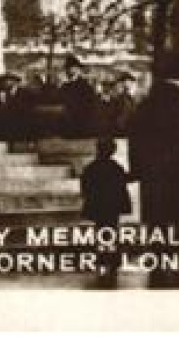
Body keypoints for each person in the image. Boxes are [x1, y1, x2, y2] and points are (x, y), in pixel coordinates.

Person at [79, 137, 133, 282]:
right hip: (112, 206)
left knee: (101, 231)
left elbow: (85, 188)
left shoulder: (91, 168)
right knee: (112, 231)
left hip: (99, 206)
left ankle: (102, 258)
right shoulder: (116, 167)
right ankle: (112, 259)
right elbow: (122, 185)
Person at [58, 56, 102, 137]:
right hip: (66, 126)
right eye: (68, 68)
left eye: (74, 68)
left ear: (79, 70)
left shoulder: (86, 86)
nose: (70, 70)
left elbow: (91, 107)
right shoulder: (64, 87)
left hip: (82, 125)